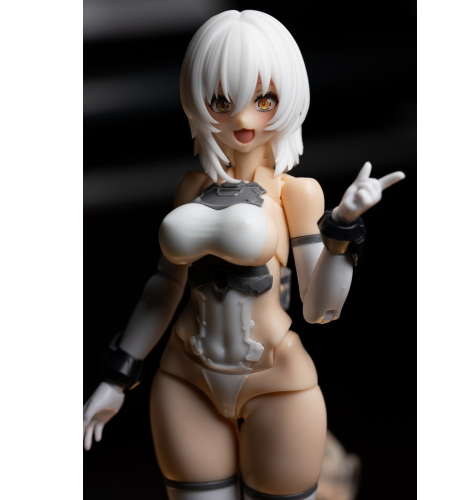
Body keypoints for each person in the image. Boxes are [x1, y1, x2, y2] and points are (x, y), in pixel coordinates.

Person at [83, 10, 404, 500]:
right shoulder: (190, 188)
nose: (243, 118)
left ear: (288, 98)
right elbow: (163, 288)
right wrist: (118, 375)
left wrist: (343, 225)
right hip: (186, 379)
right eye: (221, 101)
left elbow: (320, 308)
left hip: (276, 383)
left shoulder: (297, 194)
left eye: (264, 99)